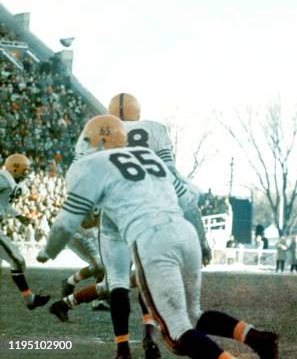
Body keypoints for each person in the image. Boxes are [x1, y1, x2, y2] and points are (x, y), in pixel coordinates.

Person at [36, 115, 279, 359]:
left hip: (152, 240)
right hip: (184, 233)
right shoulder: (149, 157)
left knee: (178, 332)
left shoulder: (91, 166)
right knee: (193, 314)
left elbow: (65, 224)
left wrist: (47, 252)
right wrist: (202, 240)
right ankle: (257, 338)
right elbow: (188, 201)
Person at [0, 154, 50, 310]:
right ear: (14, 167)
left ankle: (30, 300)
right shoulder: (3, 180)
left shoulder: (9, 183)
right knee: (18, 260)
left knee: (15, 262)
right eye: (24, 170)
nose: (26, 174)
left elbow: (5, 205)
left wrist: (19, 216)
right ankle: (30, 300)